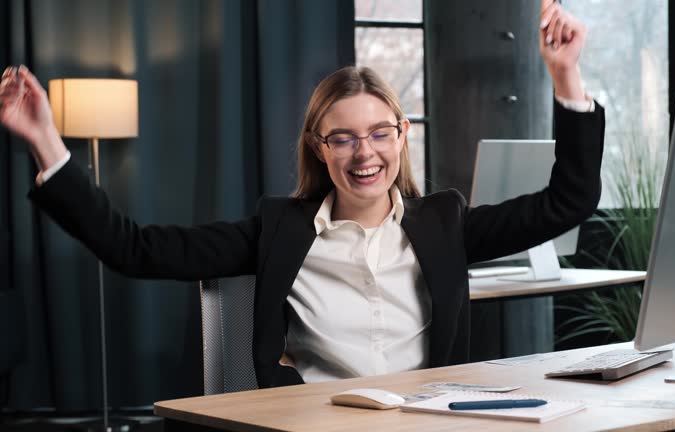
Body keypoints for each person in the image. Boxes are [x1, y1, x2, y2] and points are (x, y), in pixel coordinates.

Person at [0, 0, 604, 388]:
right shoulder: (278, 230)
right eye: (342, 139)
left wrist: (565, 76)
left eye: (377, 134)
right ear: (319, 148)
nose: (363, 154)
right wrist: (47, 143)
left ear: (402, 136)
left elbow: (567, 202)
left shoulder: (446, 223)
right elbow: (134, 249)